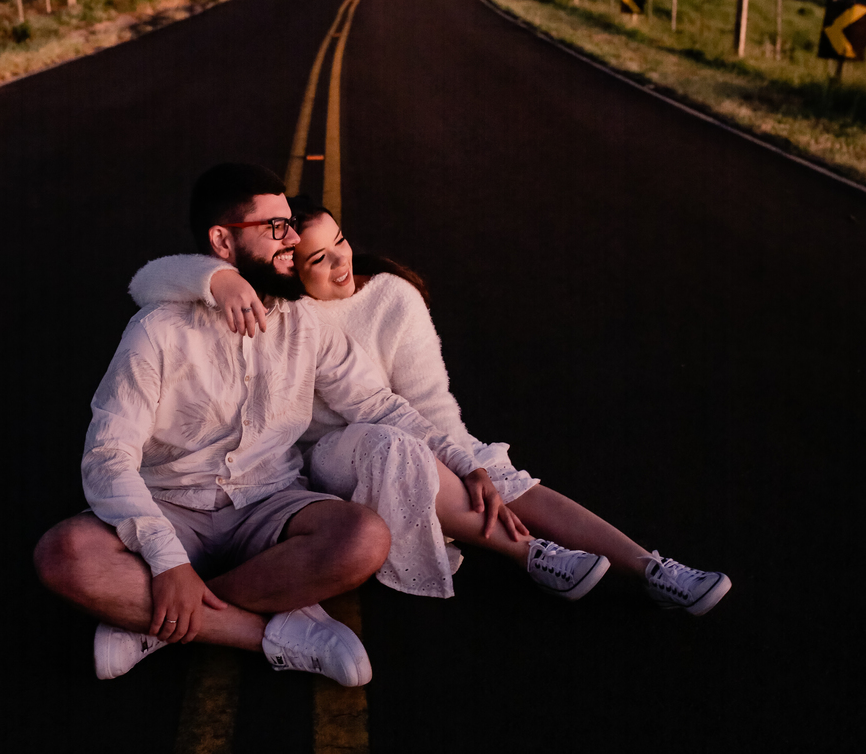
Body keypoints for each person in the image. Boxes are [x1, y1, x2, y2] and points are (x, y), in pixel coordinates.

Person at [33, 164, 520, 685]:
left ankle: (161, 618)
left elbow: (377, 405)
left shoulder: (304, 322)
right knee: (64, 554)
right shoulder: (157, 331)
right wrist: (167, 560)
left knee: (362, 539)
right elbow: (107, 457)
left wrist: (463, 460)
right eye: (275, 228)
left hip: (269, 503)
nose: (291, 239)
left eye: (288, 223)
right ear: (222, 241)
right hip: (171, 504)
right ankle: (265, 634)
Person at [128, 196, 732, 614]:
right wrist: (220, 278)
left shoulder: (391, 297)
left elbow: (427, 402)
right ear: (289, 267)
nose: (341, 262)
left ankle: (651, 567)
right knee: (388, 445)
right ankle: (531, 556)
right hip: (319, 468)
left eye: (341, 242)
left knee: (492, 474)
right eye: (317, 258)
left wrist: (470, 464)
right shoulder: (282, 309)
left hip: (405, 432)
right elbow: (151, 282)